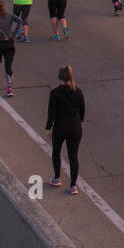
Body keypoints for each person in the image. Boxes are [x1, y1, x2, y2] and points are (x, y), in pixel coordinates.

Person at [45, 65, 85, 195]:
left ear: (60, 78)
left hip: (61, 126)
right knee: (73, 156)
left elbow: (51, 113)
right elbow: (82, 111)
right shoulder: (78, 91)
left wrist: (48, 129)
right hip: (75, 126)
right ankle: (73, 186)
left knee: (56, 151)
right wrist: (78, 122)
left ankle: (57, 178)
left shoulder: (55, 93)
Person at [0, 0, 21, 97]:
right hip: (10, 43)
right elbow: (20, 21)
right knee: (8, 66)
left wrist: (1, 33)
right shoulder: (10, 16)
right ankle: (9, 87)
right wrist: (14, 34)